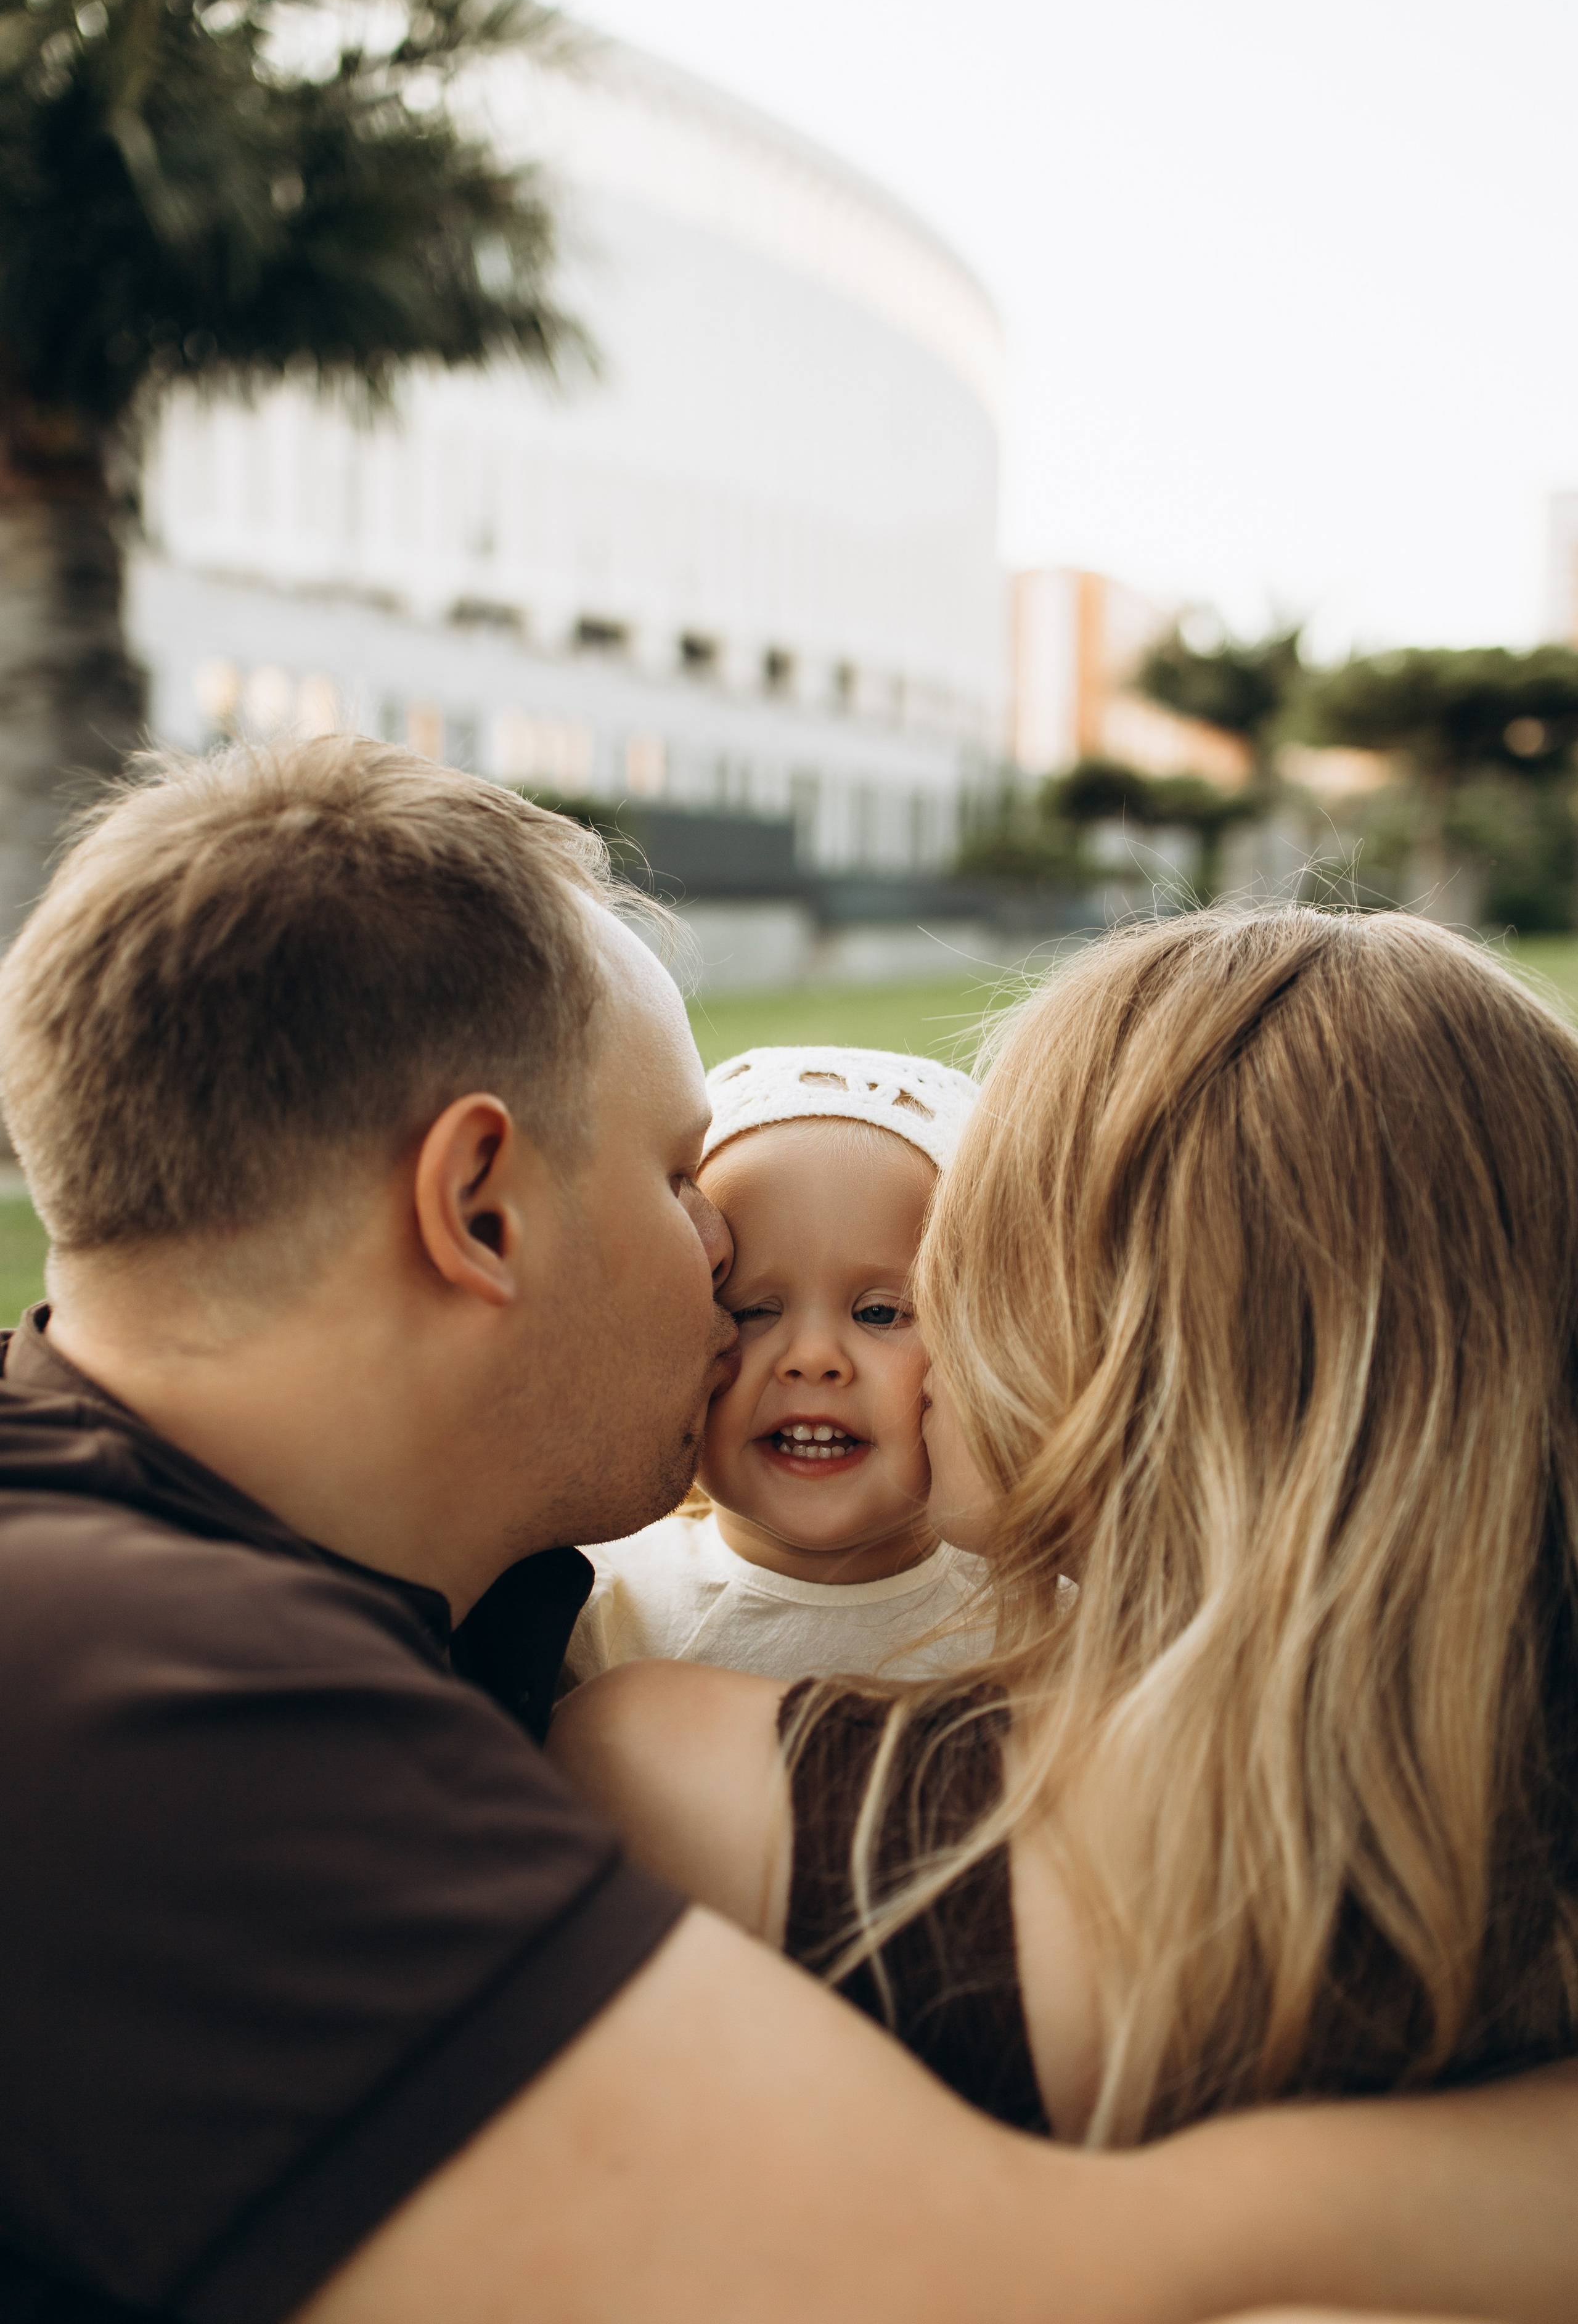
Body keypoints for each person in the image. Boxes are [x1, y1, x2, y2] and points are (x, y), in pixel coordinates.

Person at [0, 737, 1571, 2324]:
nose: (719, 1247)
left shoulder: (226, 1597)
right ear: (478, 1206)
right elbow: (987, 2274)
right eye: (681, 1174)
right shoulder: (143, 1700)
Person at [551, 907, 1578, 2147]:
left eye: (967, 1255)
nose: (843, 1350)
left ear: (1150, 1340)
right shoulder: (1506, 1879)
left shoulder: (674, 1766)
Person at [565, 1044, 991, 1685]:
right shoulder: (594, 1611)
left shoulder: (1051, 1615)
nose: (813, 1359)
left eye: (879, 1313)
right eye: (752, 1311)